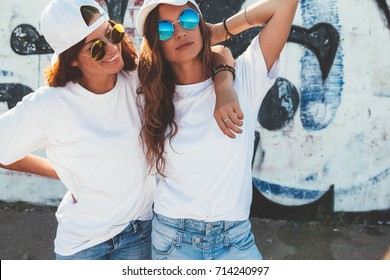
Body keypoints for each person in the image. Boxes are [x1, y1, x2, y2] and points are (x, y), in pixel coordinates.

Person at [0, 0, 239, 260]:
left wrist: (224, 84)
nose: (113, 48)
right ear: (72, 60)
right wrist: (64, 172)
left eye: (112, 33)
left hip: (139, 233)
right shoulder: (50, 104)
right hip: (84, 245)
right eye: (97, 48)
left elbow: (219, 53)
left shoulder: (138, 78)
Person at [136, 0, 298, 260]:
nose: (179, 32)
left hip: (235, 240)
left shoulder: (245, 77)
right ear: (156, 43)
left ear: (201, 25)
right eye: (164, 29)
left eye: (188, 19)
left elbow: (284, 5)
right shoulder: (149, 96)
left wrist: (221, 32)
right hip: (173, 239)